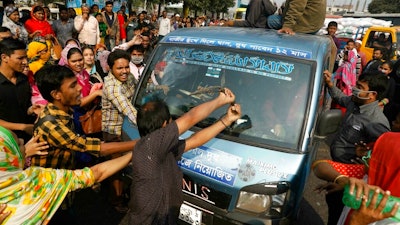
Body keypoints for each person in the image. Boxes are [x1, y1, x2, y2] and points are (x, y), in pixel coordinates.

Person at [128, 88, 241, 224]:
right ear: (165, 124)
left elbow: (193, 141)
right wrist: (220, 100)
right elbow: (191, 117)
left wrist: (226, 120)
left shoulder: (159, 149)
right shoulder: (152, 146)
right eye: (171, 122)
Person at [0, 125, 134, 224]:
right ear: (10, 158)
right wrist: (135, 151)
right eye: (17, 144)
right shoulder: (37, 180)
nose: (24, 143)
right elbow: (95, 173)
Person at [323, 70, 391, 225]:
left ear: (372, 95)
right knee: (332, 207)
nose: (355, 89)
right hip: (337, 169)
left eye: (360, 87)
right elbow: (340, 97)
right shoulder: (355, 102)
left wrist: (366, 157)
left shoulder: (376, 122)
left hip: (351, 177)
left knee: (340, 214)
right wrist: (330, 84)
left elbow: (381, 155)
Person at [313, 131, 400, 225]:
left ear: (387, 165)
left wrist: (356, 222)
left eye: (373, 153)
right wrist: (343, 180)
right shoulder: (368, 178)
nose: (366, 156)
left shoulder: (393, 220)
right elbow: (319, 165)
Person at [102, 50, 137, 213]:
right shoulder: (111, 87)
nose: (124, 71)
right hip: (114, 132)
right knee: (116, 168)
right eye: (119, 68)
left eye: (126, 67)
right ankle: (116, 201)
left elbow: (139, 92)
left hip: (128, 129)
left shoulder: (129, 77)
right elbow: (129, 110)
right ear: (110, 69)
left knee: (127, 165)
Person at [0, 38, 39, 143]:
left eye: (26, 57)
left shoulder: (23, 79)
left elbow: (24, 107)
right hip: (6, 141)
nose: (25, 62)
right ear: (4, 58)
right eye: (20, 58)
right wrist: (22, 127)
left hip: (28, 138)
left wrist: (32, 109)